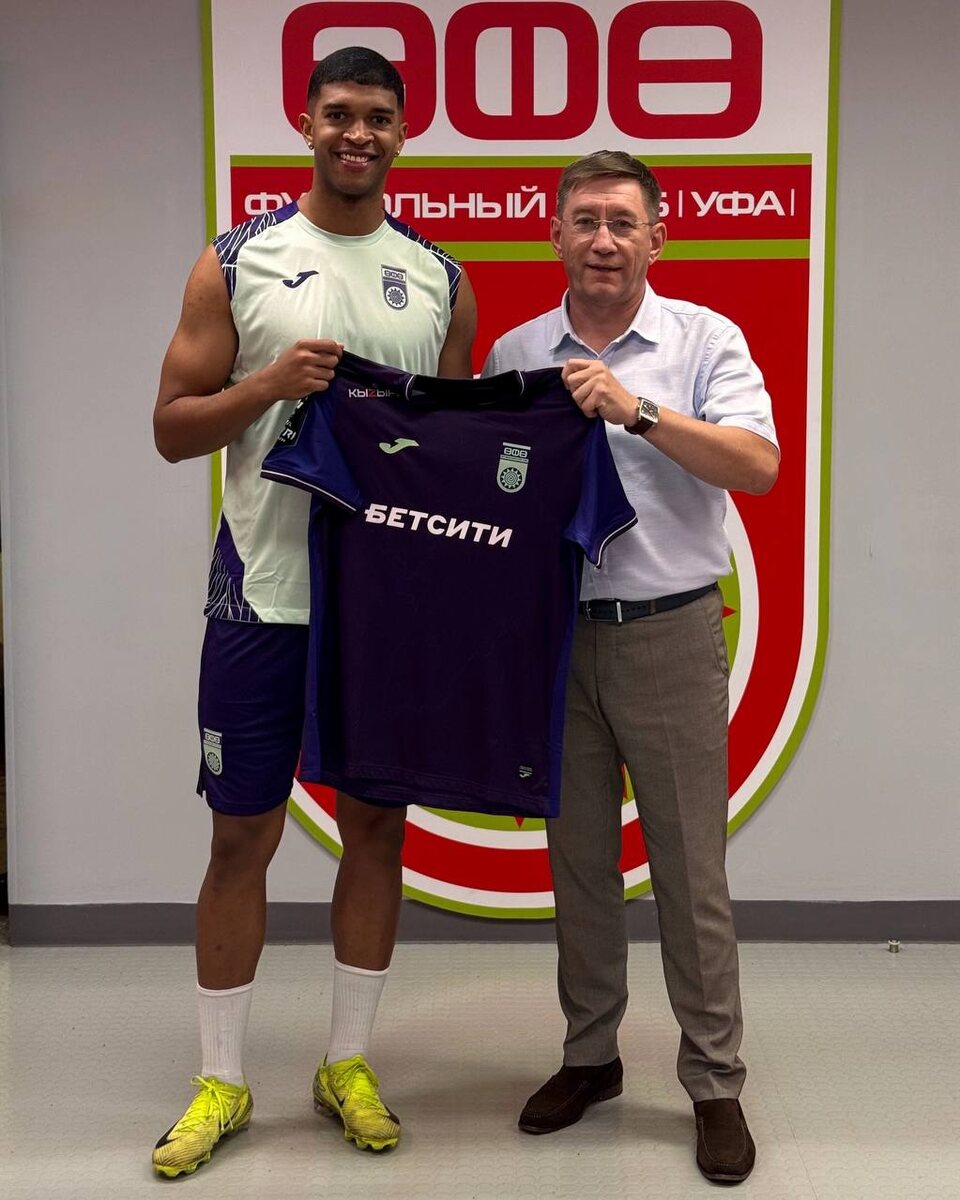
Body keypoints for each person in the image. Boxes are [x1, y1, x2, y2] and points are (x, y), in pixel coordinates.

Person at [150, 47, 476, 1177]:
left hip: (386, 609)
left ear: (402, 132)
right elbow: (172, 426)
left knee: (378, 828)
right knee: (240, 834)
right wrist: (266, 386)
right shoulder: (237, 260)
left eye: (378, 116)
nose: (358, 133)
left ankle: (347, 1063)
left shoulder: (438, 278)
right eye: (339, 113)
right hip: (262, 594)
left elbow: (455, 456)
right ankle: (222, 1080)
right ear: (305, 121)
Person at [482, 150, 778, 1185]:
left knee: (691, 870)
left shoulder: (705, 339)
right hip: (557, 639)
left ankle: (714, 1082)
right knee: (579, 867)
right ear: (555, 235)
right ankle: (590, 1057)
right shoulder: (517, 350)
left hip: (668, 631)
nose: (602, 240)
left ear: (658, 236)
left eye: (621, 222)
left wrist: (636, 410)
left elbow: (758, 465)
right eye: (585, 221)